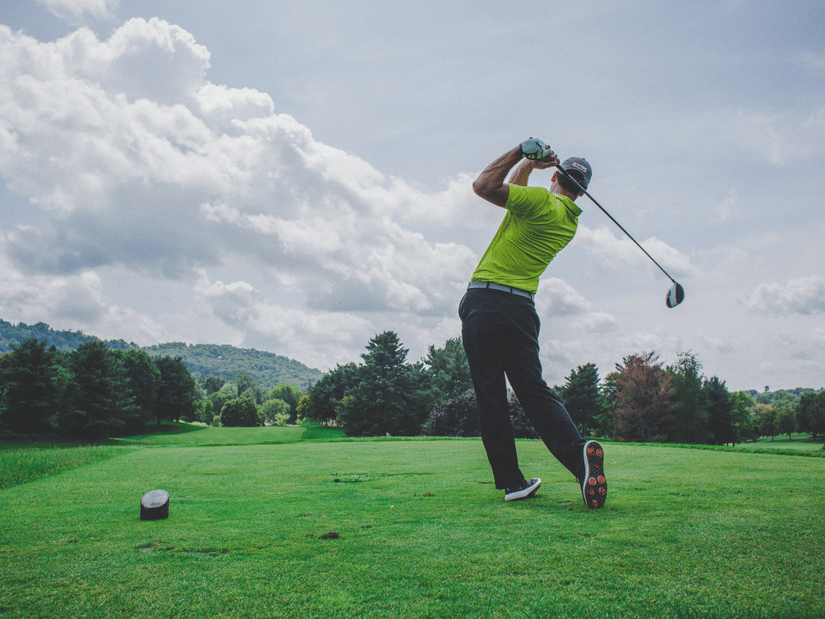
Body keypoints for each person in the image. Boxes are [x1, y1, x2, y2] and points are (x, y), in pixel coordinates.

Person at [458, 138, 607, 508]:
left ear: (556, 176)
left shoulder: (541, 202)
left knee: (491, 395)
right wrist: (530, 167)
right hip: (522, 310)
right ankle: (578, 460)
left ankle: (512, 482)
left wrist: (519, 152)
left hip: (487, 303)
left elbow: (484, 186)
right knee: (534, 392)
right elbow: (517, 195)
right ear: (582, 194)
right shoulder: (567, 220)